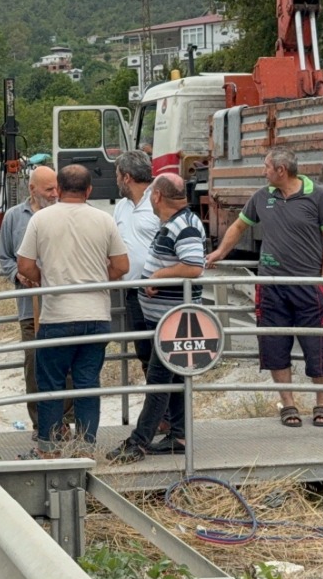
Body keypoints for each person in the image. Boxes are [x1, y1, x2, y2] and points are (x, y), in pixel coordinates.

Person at [208, 146, 323, 427]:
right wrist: (220, 253)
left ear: (281, 170)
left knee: (317, 346)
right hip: (270, 286)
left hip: (308, 285)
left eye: (266, 166)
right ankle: (288, 405)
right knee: (274, 346)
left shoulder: (318, 195)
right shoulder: (261, 197)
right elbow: (238, 227)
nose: (263, 171)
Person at [17, 164, 129, 454]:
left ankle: (48, 447)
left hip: (56, 315)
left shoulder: (41, 219)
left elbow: (24, 265)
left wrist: (48, 279)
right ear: (89, 190)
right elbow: (122, 265)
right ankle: (85, 448)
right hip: (95, 316)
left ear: (60, 189)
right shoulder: (104, 220)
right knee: (87, 384)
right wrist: (95, 277)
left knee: (51, 383)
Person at [108, 174, 207, 462]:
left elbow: (193, 267)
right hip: (165, 317)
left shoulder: (184, 226)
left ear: (157, 197)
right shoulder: (175, 224)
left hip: (173, 320)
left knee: (158, 381)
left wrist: (157, 275)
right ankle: (178, 435)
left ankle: (138, 442)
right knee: (171, 378)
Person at [0, 165, 66, 430]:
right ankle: (41, 425)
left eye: (57, 187)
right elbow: (5, 257)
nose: (55, 193)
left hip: (62, 305)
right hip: (30, 308)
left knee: (65, 364)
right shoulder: (14, 217)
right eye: (49, 189)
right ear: (32, 189)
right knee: (34, 365)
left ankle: (65, 422)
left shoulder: (64, 213)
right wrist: (18, 275)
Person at [114, 150, 160, 375]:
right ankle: (157, 405)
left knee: (162, 352)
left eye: (117, 175)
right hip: (133, 291)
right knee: (144, 353)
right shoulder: (121, 207)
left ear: (127, 177)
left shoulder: (159, 200)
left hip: (159, 291)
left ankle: (169, 408)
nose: (116, 181)